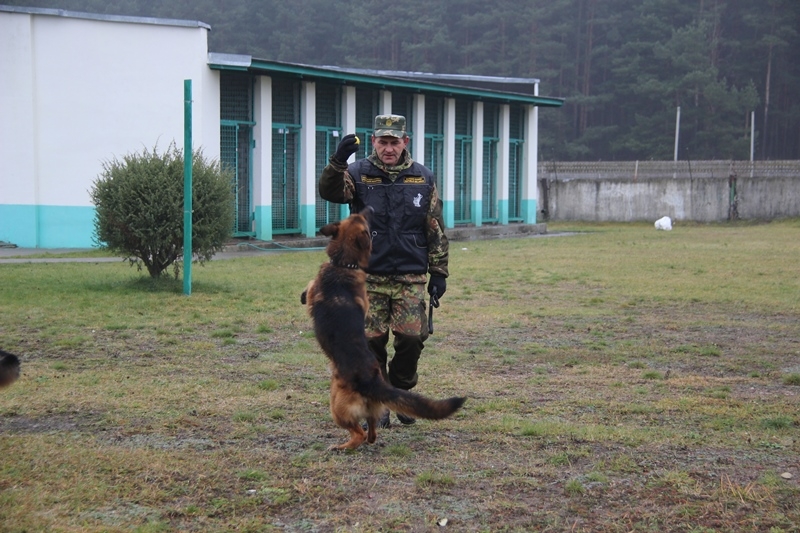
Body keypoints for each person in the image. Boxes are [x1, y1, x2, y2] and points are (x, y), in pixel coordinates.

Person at [318, 114, 449, 427]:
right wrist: (338, 161)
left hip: (410, 273)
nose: (388, 148)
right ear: (374, 141)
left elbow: (434, 226)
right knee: (370, 341)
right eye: (382, 141)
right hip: (368, 276)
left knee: (413, 337)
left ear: (405, 142)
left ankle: (401, 391)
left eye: (394, 142)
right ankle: (380, 399)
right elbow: (331, 192)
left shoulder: (423, 177)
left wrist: (439, 271)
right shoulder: (358, 173)